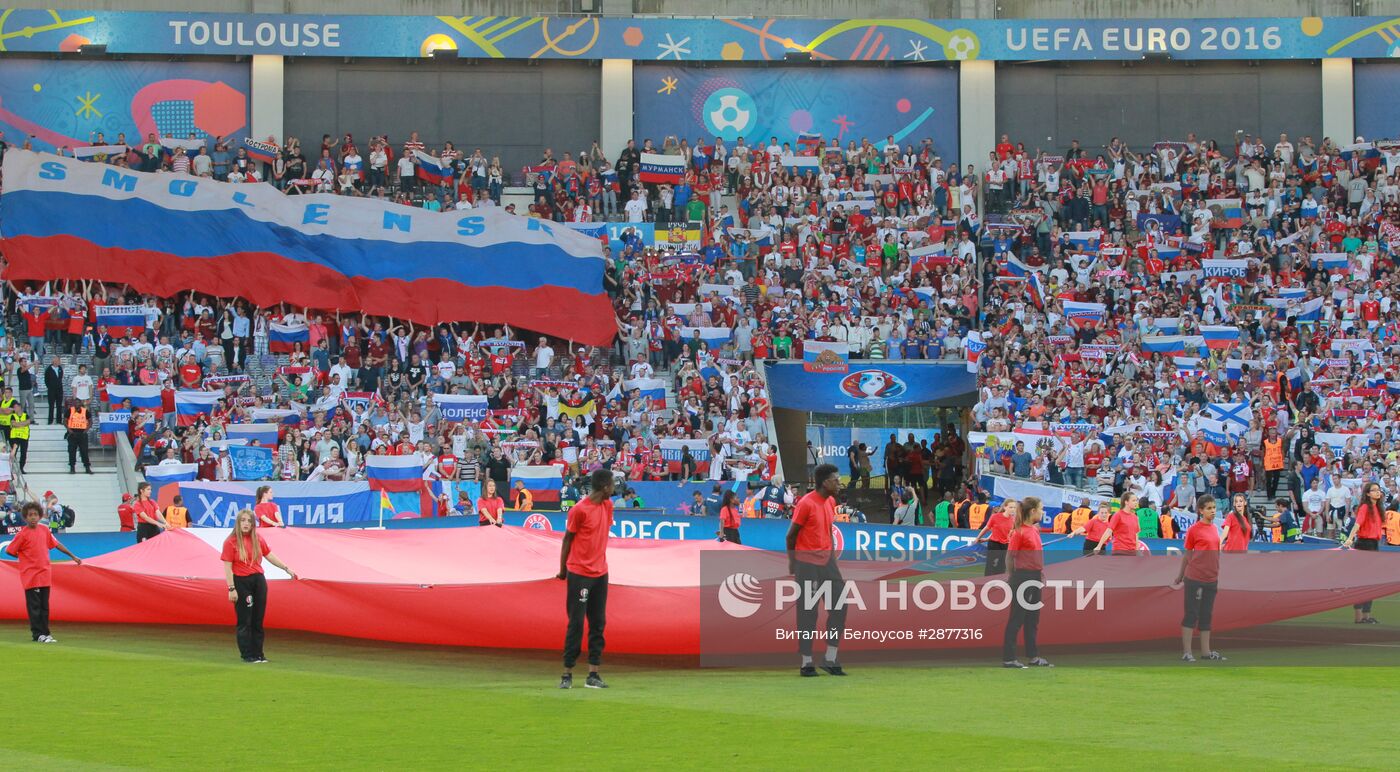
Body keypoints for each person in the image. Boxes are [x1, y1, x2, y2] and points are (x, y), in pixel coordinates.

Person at [786, 463, 847, 677]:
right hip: (806, 563)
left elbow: (829, 531)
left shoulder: (830, 501)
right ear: (824, 482)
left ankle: (830, 657)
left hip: (826, 562)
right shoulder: (806, 504)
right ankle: (806, 661)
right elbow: (791, 536)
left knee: (840, 606)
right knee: (808, 612)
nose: (840, 483)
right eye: (836, 479)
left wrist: (832, 559)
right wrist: (793, 564)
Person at [557, 469, 615, 689]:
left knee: (598, 623)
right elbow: (567, 540)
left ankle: (593, 674)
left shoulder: (607, 506)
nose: (614, 489)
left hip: (600, 573)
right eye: (611, 485)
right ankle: (567, 673)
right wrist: (563, 570)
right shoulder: (578, 510)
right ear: (604, 487)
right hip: (579, 573)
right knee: (576, 624)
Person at [221, 509, 298, 663]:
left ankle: (259, 654)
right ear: (238, 522)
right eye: (243, 520)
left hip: (258, 580)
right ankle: (247, 654)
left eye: (249, 521)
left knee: (258, 619)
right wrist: (231, 588)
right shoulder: (231, 542)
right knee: (245, 620)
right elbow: (227, 567)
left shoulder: (257, 539)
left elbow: (269, 555)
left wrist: (286, 568)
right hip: (241, 582)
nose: (245, 524)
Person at [5, 500, 83, 642]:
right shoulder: (23, 534)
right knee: (34, 607)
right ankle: (38, 634)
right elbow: (9, 550)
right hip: (31, 575)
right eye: (30, 515)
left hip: (45, 573)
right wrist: (24, 557)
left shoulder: (44, 530)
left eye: (35, 514)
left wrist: (72, 556)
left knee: (44, 606)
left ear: (40, 516)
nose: (33, 517)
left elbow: (56, 544)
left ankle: (46, 633)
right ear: (25, 517)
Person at [1173, 494, 1226, 662]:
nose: (1212, 511)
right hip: (1195, 577)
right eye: (1209, 508)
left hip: (1211, 578)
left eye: (1214, 508)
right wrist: (1180, 576)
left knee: (1206, 615)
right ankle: (1187, 652)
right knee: (1191, 614)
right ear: (1201, 510)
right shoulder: (1194, 530)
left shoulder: (1214, 529)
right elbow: (1187, 555)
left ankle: (1206, 652)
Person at [1002, 496, 1052, 668]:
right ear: (1033, 511)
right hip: (1023, 577)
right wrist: (1012, 577)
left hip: (1035, 576)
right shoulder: (1019, 532)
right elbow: (1010, 557)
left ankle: (1033, 656)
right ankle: (1009, 658)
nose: (1042, 511)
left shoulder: (1033, 530)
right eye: (1041, 508)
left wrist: (1040, 572)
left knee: (1033, 618)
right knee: (1017, 618)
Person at [1342, 481, 1386, 624]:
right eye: (1374, 490)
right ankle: (1359, 616)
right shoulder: (1365, 507)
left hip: (1373, 544)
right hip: (1364, 544)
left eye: (1378, 490)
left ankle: (1366, 616)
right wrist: (1349, 538)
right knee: (1362, 582)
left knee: (1371, 582)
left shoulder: (1378, 508)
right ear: (1368, 493)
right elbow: (1357, 523)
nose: (1377, 492)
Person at [975, 500, 1015, 575]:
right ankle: (987, 582)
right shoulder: (995, 517)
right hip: (994, 544)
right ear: (1005, 507)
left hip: (1006, 545)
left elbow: (1009, 534)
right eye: (1011, 507)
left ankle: (998, 582)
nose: (1013, 509)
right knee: (991, 564)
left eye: (1014, 507)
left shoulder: (1013, 520)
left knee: (1002, 566)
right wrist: (978, 538)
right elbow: (987, 528)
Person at [65, 397, 93, 474]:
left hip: (82, 433)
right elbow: (65, 421)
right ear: (73, 403)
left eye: (78, 402)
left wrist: (86, 430)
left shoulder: (85, 411)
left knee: (84, 451)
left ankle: (87, 467)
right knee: (71, 451)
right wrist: (69, 430)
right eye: (75, 402)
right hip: (72, 433)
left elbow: (90, 421)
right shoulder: (70, 410)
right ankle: (72, 467)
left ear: (81, 403)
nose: (77, 404)